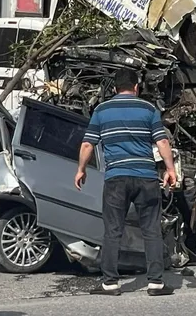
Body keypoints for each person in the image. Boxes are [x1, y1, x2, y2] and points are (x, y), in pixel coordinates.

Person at [75, 69, 177, 296]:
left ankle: (110, 282)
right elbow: (161, 141)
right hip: (146, 177)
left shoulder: (101, 110)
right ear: (136, 87)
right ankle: (156, 283)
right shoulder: (148, 109)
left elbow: (87, 145)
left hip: (116, 178)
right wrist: (170, 169)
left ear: (114, 89)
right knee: (151, 230)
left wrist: (81, 170)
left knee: (113, 231)